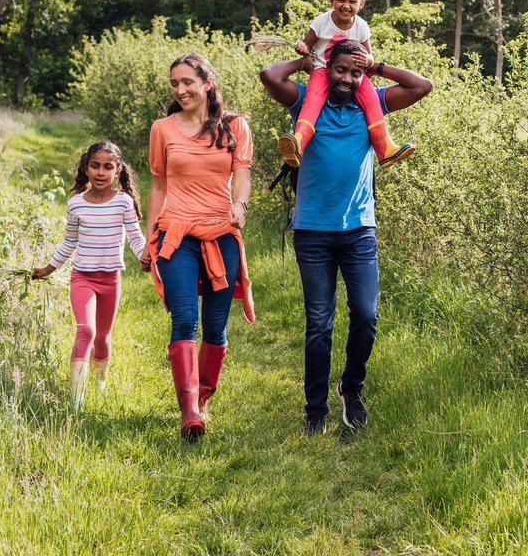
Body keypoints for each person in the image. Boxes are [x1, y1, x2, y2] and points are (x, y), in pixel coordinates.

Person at [260, 38, 432, 433]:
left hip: (359, 231)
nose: (347, 79)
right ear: (327, 71)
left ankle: (351, 390)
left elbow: (423, 86)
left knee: (367, 316)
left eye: (354, 73)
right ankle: (314, 411)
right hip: (312, 231)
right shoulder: (307, 100)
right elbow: (270, 76)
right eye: (341, 70)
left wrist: (377, 68)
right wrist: (307, 64)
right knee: (319, 323)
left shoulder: (371, 104)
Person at [140, 53, 254, 442]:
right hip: (175, 235)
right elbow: (157, 186)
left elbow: (242, 176)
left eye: (188, 81)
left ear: (207, 83)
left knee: (216, 325)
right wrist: (147, 240)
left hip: (221, 233)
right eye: (174, 84)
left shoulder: (234, 126)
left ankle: (204, 398)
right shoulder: (162, 129)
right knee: (185, 316)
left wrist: (239, 206)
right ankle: (190, 413)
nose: (180, 90)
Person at [32, 141, 146, 409]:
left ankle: (99, 384)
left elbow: (135, 238)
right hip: (82, 277)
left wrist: (145, 257)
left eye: (108, 167)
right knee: (86, 330)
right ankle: (76, 400)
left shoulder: (123, 202)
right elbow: (68, 242)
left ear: (118, 170)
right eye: (95, 166)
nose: (100, 172)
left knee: (103, 338)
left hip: (111, 280)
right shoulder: (76, 204)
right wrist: (48, 268)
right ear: (86, 168)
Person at [277, 0, 415, 170]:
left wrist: (369, 61)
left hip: (357, 73)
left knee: (371, 103)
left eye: (352, 1)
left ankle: (385, 147)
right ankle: (298, 143)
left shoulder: (361, 26)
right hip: (323, 69)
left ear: (362, 3)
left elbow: (369, 54)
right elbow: (308, 42)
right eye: (340, 0)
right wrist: (303, 48)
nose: (345, 5)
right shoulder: (322, 21)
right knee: (312, 102)